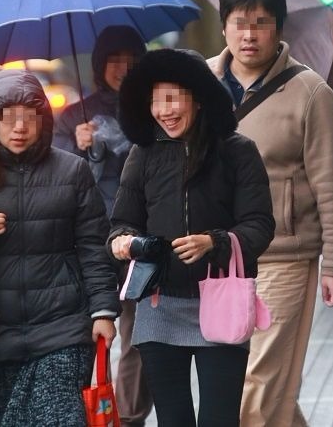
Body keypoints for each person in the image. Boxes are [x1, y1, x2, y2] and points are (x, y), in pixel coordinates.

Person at [206, 0, 333, 426]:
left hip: (284, 255)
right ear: (224, 26)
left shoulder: (310, 91)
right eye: (239, 22)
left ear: (279, 28)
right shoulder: (199, 85)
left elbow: (331, 183)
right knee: (252, 385)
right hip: (217, 256)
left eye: (261, 23)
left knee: (261, 380)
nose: (249, 35)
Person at [0, 69, 120, 426]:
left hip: (63, 329)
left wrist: (103, 312)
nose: (19, 128)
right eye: (9, 119)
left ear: (44, 121)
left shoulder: (73, 171)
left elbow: (94, 248)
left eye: (30, 118)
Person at [109, 48, 274, 427]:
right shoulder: (143, 154)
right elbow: (122, 222)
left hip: (221, 303)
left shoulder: (238, 151)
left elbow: (260, 225)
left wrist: (214, 243)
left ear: (198, 99)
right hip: (158, 305)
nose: (163, 111)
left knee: (219, 420)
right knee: (173, 420)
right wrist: (122, 241)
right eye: (156, 101)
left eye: (172, 99)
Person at [53, 25, 151, 426]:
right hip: (88, 243)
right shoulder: (72, 117)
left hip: (138, 240)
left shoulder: (153, 110)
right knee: (87, 334)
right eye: (114, 60)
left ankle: (128, 417)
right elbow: (57, 183)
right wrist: (76, 148)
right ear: (98, 66)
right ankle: (80, 412)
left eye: (131, 60)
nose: (123, 68)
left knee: (137, 334)